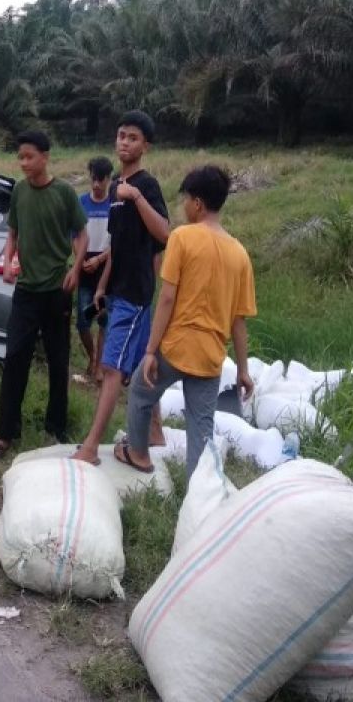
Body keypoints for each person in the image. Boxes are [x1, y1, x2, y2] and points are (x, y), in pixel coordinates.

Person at [121, 166, 257, 479]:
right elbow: (239, 321)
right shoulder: (240, 254)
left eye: (186, 200)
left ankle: (138, 454)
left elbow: (166, 299)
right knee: (201, 426)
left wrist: (151, 351)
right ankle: (199, 493)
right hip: (211, 357)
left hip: (176, 347)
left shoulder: (183, 237)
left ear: (197, 203)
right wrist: (243, 371)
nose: (183, 206)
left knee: (141, 393)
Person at [0, 131, 87, 466]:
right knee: (15, 359)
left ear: (45, 156)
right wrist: (9, 261)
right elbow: (12, 232)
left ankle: (56, 429)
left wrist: (78, 268)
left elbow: (81, 233)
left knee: (58, 361)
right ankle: (4, 434)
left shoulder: (65, 193)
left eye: (29, 157)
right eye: (21, 157)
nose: (24, 163)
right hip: (26, 292)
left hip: (57, 291)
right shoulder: (19, 192)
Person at [73, 111, 171, 466]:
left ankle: (90, 447)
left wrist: (136, 198)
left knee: (112, 368)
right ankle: (156, 430)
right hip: (118, 290)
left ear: (145, 145)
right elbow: (116, 243)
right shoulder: (115, 185)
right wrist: (101, 285)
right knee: (144, 360)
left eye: (132, 137)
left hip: (135, 294)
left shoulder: (145, 185)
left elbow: (164, 234)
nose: (124, 142)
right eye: (120, 135)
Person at [77, 157, 114, 381]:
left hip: (106, 266)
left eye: (101, 180)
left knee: (103, 319)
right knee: (83, 319)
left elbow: (117, 242)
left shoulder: (114, 205)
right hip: (84, 265)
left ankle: (99, 366)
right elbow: (75, 234)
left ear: (109, 179)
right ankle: (92, 356)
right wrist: (80, 259)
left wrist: (99, 260)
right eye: (94, 179)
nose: (97, 184)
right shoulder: (81, 202)